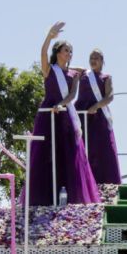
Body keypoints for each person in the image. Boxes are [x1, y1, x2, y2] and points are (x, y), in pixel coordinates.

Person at [28, 22, 100, 206]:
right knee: (46, 153)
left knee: (69, 153)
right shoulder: (49, 70)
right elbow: (42, 54)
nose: (68, 54)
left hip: (64, 114)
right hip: (48, 114)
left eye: (70, 51)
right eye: (65, 50)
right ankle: (44, 197)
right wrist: (49, 36)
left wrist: (60, 105)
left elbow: (72, 95)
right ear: (58, 52)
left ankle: (71, 197)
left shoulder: (74, 74)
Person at [74, 49, 122, 185]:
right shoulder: (83, 73)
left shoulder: (106, 77)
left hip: (98, 117)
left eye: (96, 58)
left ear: (102, 61)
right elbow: (66, 68)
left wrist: (96, 106)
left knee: (101, 148)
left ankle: (104, 183)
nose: (93, 60)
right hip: (81, 115)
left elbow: (110, 96)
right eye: (91, 58)